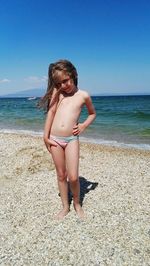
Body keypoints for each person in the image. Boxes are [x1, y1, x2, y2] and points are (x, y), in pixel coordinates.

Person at [40, 59, 96, 220]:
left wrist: (84, 125)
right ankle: (65, 206)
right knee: (60, 174)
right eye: (59, 82)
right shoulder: (57, 94)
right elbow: (50, 113)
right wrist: (45, 136)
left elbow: (92, 114)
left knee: (73, 176)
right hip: (54, 139)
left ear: (74, 74)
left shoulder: (83, 95)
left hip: (72, 139)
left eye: (66, 80)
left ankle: (77, 204)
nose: (64, 85)